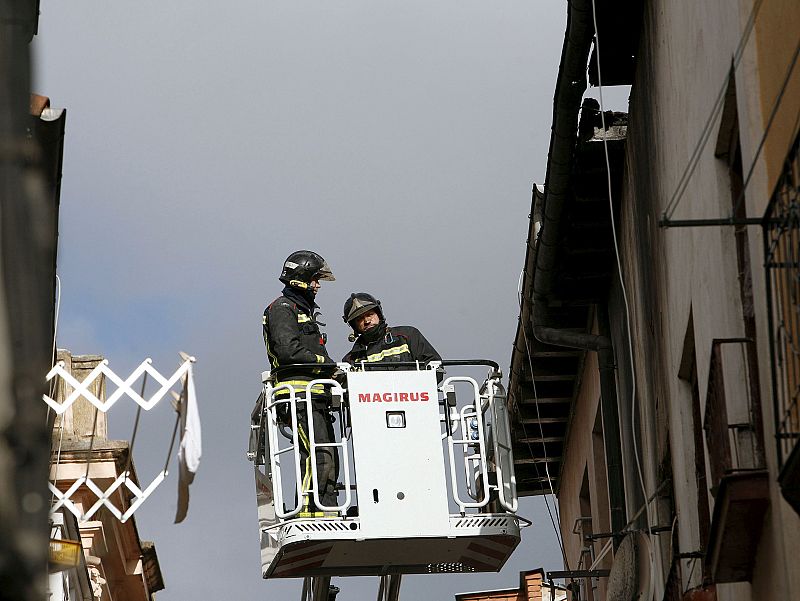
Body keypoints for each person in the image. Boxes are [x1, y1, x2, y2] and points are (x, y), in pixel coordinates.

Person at [263, 250, 338, 515]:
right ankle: (309, 512)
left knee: (327, 455)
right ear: (301, 278)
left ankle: (326, 508)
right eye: (315, 279)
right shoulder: (282, 309)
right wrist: (328, 365)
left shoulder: (302, 310)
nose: (318, 285)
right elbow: (288, 351)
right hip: (299, 396)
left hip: (314, 397)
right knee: (317, 456)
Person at [341, 292, 442, 366]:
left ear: (379, 314)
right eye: (360, 319)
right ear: (354, 325)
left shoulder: (407, 336)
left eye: (370, 314)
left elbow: (435, 366)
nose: (367, 321)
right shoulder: (351, 359)